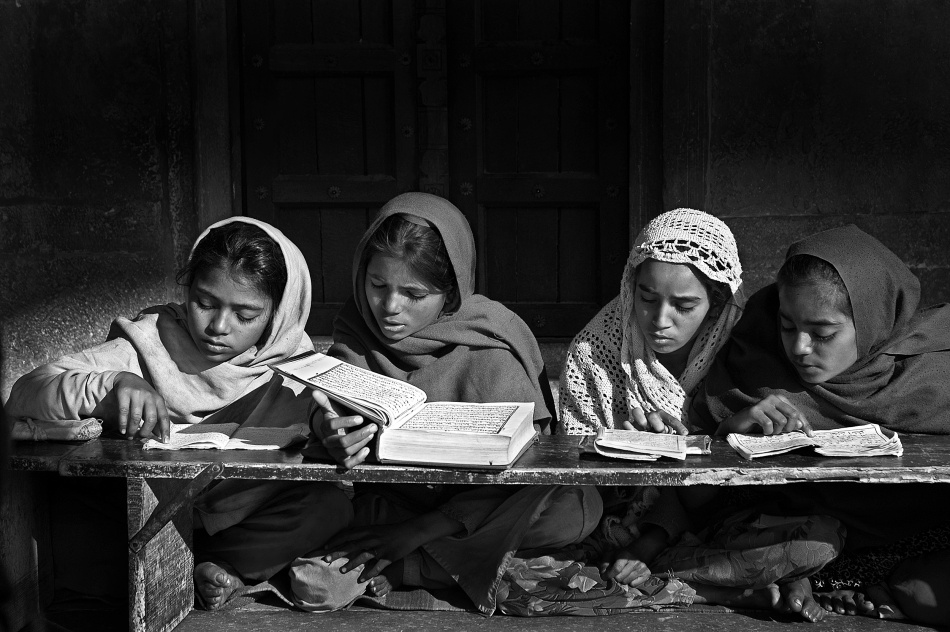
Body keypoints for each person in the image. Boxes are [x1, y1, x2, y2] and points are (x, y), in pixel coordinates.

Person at [505, 209, 841, 622]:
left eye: (684, 305)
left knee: (817, 543)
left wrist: (724, 433)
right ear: (631, 286)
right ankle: (717, 590)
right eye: (647, 298)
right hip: (613, 526)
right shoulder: (595, 352)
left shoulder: (749, 347)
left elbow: (760, 480)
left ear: (717, 301)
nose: (660, 320)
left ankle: (661, 579)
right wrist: (627, 449)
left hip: (712, 519)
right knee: (510, 573)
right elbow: (577, 475)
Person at [6, 217, 353, 611]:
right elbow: (24, 395)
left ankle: (218, 565)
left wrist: (331, 430)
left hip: (239, 524)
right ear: (187, 288)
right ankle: (188, 574)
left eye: (245, 315)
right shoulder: (149, 341)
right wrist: (113, 385)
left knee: (329, 507)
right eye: (204, 303)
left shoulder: (297, 369)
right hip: (140, 522)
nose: (218, 327)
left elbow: (330, 431)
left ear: (277, 314)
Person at [292, 192, 601, 614]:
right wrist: (328, 432)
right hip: (394, 504)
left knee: (573, 508)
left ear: (451, 294)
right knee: (314, 581)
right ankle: (461, 566)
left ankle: (413, 567)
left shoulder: (491, 344)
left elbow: (531, 468)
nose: (389, 307)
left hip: (484, 510)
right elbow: (326, 412)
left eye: (414, 294)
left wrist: (414, 534)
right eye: (377, 284)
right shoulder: (355, 330)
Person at [698, 224, 950, 625]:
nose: (798, 348)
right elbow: (698, 492)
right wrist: (731, 429)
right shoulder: (753, 367)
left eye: (823, 333)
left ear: (873, 323)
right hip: (793, 537)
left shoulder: (930, 378)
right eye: (787, 326)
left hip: (916, 538)